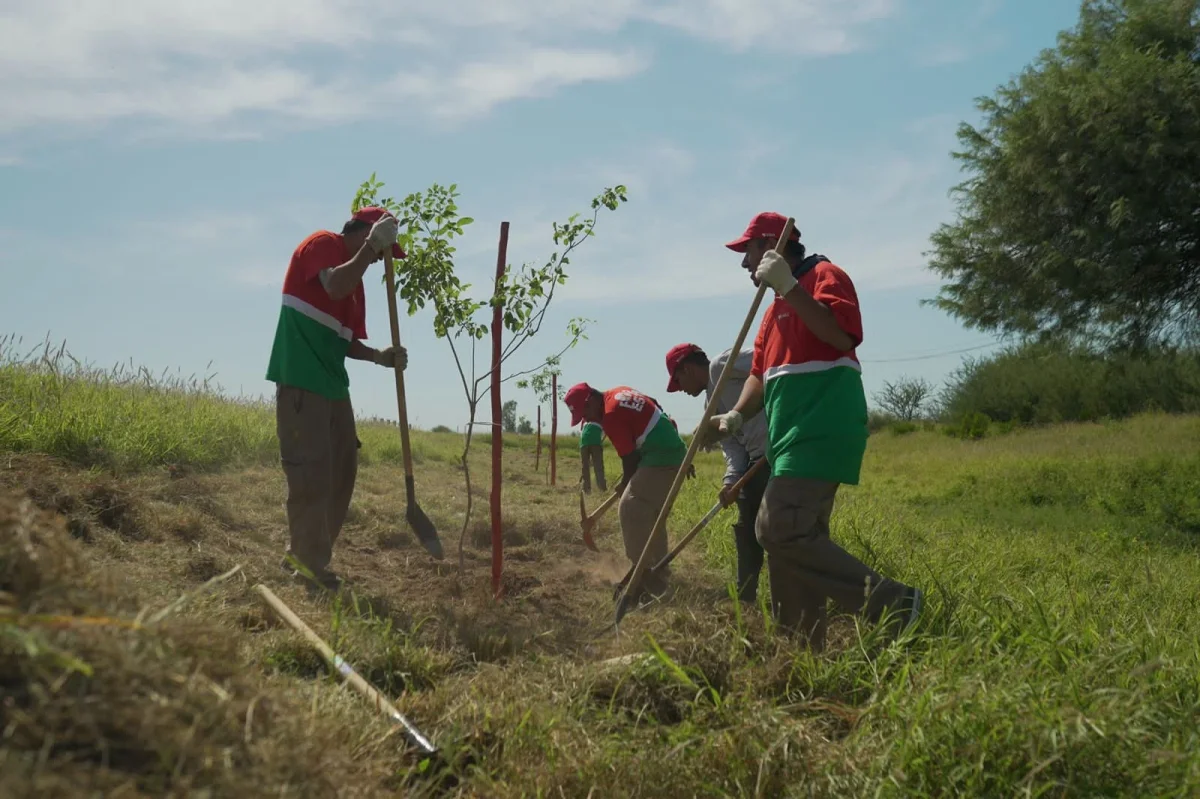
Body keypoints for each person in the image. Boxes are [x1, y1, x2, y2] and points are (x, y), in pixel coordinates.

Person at [710, 211, 923, 650]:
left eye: (749, 250)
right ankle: (799, 650)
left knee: (777, 528)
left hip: (821, 426)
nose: (745, 262)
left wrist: (790, 287)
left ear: (773, 244)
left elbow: (842, 335)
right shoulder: (772, 311)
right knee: (793, 543)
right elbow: (759, 375)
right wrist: (736, 415)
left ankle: (894, 603)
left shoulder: (825, 276)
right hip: (788, 436)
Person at [265, 206, 409, 593]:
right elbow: (333, 286)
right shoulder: (322, 244)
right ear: (363, 233)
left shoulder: (355, 285)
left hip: (334, 388)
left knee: (341, 474)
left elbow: (345, 342)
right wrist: (370, 249)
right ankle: (310, 566)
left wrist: (379, 356)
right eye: (381, 249)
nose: (379, 259)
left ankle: (303, 553)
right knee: (310, 475)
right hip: (301, 380)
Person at [563, 382, 689, 601]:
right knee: (651, 513)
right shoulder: (619, 392)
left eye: (586, 414)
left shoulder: (610, 415)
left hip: (662, 457)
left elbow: (629, 459)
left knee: (630, 506)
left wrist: (625, 485)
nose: (589, 420)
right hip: (668, 451)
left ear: (591, 401)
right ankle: (660, 570)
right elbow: (655, 405)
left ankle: (643, 572)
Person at [665, 342, 768, 603]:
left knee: (776, 528)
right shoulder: (710, 409)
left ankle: (786, 598)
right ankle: (745, 595)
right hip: (756, 459)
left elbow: (769, 362)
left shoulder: (722, 365)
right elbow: (733, 448)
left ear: (687, 369)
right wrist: (731, 481)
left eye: (678, 381)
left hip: (778, 449)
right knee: (747, 527)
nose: (681, 390)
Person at [579, 419, 607, 494]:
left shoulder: (584, 418)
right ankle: (602, 489)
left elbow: (581, 431)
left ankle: (586, 490)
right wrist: (600, 442)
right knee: (598, 467)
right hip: (594, 441)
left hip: (584, 441)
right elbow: (605, 432)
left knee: (585, 467)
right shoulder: (601, 416)